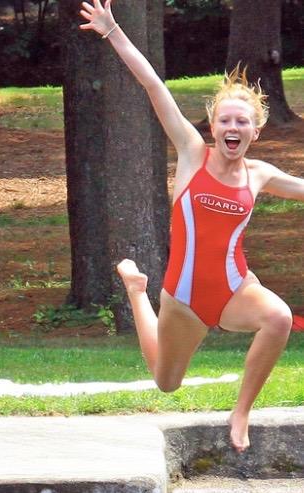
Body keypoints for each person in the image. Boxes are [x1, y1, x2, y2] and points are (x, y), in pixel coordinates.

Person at [80, 0, 304, 452]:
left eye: (243, 122)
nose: (233, 127)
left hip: (235, 289)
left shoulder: (259, 174)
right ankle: (138, 293)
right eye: (226, 120)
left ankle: (241, 412)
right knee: (166, 381)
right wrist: (112, 31)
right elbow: (151, 84)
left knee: (279, 318)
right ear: (214, 126)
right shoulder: (190, 151)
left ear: (255, 131)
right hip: (182, 297)